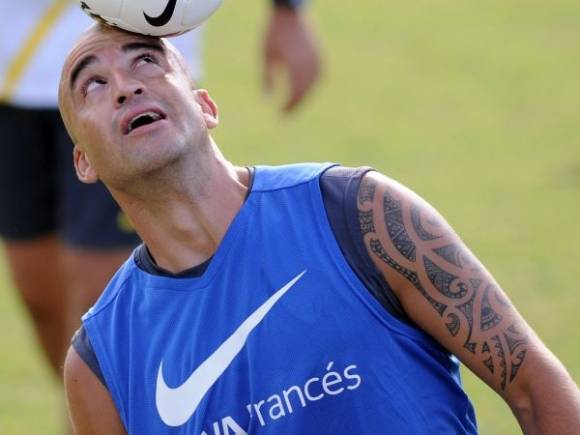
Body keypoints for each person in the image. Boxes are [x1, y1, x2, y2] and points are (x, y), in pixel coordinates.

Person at [59, 25, 580, 434]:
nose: (126, 87)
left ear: (204, 106)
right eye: (94, 85)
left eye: (146, 62)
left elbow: (536, 390)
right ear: (84, 162)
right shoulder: (101, 363)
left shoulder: (359, 212)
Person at [0, 0, 320, 385]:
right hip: (10, 69)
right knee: (41, 298)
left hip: (129, 58)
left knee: (99, 309)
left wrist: (288, 10)